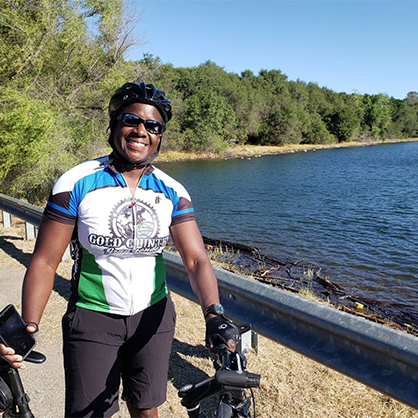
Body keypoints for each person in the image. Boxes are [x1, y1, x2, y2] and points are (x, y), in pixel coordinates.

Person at [0, 82, 239, 418]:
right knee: (89, 413)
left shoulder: (172, 191)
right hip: (93, 316)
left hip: (153, 317)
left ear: (159, 138)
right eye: (131, 120)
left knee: (145, 406)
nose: (141, 131)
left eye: (152, 126)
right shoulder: (76, 182)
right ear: (113, 127)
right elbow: (44, 260)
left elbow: (196, 258)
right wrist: (30, 325)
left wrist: (213, 313)